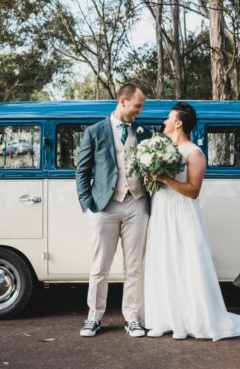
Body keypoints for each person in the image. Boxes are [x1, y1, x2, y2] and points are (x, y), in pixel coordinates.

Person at [143, 102, 240, 341]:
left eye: (168, 117)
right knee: (163, 262)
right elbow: (158, 183)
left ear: (178, 123)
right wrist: (151, 180)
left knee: (186, 262)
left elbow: (193, 190)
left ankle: (191, 321)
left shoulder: (194, 153)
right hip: (162, 211)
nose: (164, 121)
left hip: (183, 212)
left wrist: (164, 179)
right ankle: (164, 319)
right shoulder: (161, 150)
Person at [76, 83, 149, 338]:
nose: (140, 111)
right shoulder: (95, 131)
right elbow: (82, 172)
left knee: (134, 266)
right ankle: (93, 317)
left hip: (136, 203)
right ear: (123, 101)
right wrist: (88, 207)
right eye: (138, 105)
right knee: (100, 266)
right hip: (104, 206)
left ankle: (132, 318)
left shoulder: (144, 132)